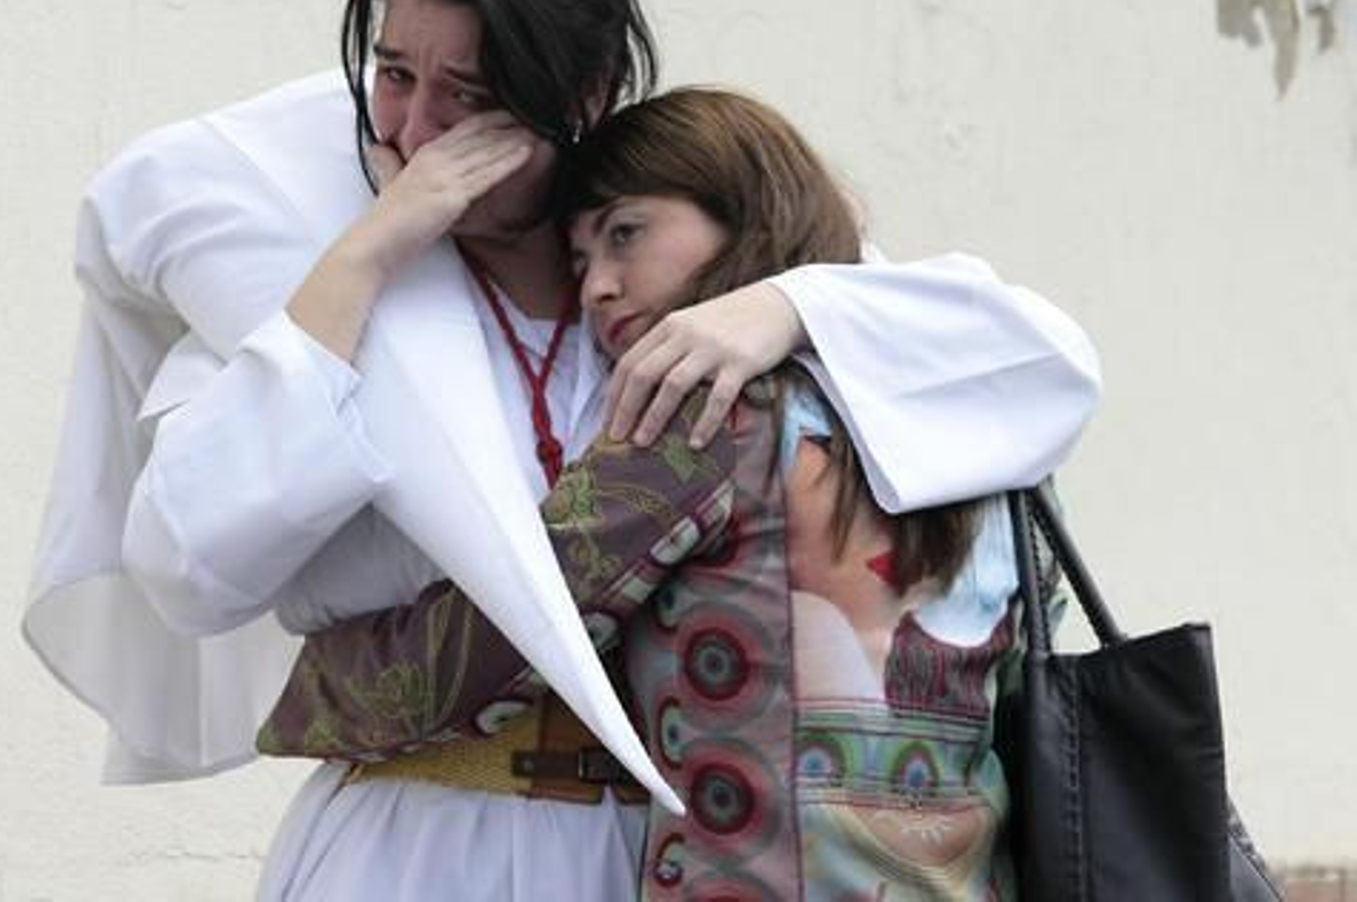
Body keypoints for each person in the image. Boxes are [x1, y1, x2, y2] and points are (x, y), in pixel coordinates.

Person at [22, 0, 1097, 900]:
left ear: (579, 95)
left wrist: (789, 307)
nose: (412, 133)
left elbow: (1032, 362)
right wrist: (367, 254)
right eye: (393, 75)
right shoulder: (309, 279)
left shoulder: (674, 276)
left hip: (664, 854)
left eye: (469, 97)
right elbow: (186, 567)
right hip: (417, 842)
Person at [261, 88, 1028, 899]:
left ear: (748, 215)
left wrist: (299, 688)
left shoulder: (702, 419)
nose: (596, 288)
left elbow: (503, 639)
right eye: (583, 260)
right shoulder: (966, 416)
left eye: (626, 234)